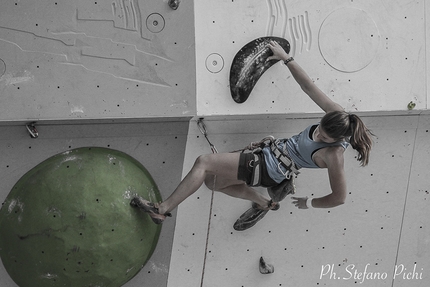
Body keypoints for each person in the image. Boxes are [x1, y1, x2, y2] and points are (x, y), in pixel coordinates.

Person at [131, 40, 374, 224]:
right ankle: (262, 201)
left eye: (324, 138)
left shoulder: (334, 156)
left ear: (338, 141)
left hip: (268, 166)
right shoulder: (337, 116)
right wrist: (286, 58)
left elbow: (339, 197)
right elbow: (308, 87)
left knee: (204, 162)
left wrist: (310, 203)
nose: (318, 135)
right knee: (212, 183)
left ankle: (161, 210)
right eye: (319, 129)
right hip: (268, 156)